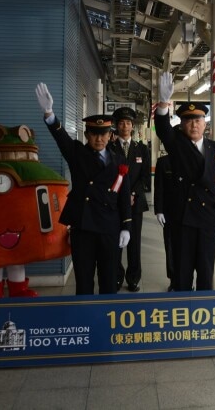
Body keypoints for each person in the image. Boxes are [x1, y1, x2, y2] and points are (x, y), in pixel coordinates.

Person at [34, 83, 132, 295]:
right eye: (94, 134)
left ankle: (108, 321)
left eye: (103, 133)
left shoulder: (119, 161)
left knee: (108, 280)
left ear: (110, 135)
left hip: (109, 228)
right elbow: (61, 138)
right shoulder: (77, 153)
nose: (99, 139)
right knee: (84, 281)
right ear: (87, 135)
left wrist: (126, 226)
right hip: (83, 227)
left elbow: (124, 196)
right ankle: (85, 320)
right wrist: (49, 113)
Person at [154, 73, 215, 291]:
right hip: (183, 218)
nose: (193, 125)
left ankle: (204, 313)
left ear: (205, 123)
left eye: (197, 120)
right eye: (188, 120)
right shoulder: (176, 145)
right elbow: (162, 128)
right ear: (181, 124)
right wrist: (162, 103)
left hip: (208, 218)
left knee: (206, 270)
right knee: (182, 271)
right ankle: (183, 311)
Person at [109, 107, 150, 292]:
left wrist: (133, 194)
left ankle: (134, 278)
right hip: (114, 204)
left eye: (128, 123)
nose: (124, 126)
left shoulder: (141, 149)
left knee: (134, 243)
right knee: (115, 242)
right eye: (121, 123)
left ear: (132, 126)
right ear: (117, 126)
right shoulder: (109, 147)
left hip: (135, 204)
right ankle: (116, 276)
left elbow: (145, 177)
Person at [153, 152, 176, 291]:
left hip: (190, 213)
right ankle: (173, 280)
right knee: (171, 247)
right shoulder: (163, 162)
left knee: (188, 249)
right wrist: (159, 210)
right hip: (169, 213)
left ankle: (187, 279)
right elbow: (159, 187)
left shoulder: (193, 158)